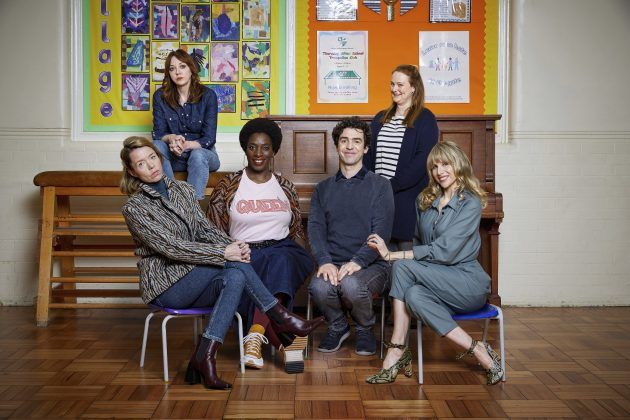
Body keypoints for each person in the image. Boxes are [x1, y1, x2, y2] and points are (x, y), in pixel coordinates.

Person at [119, 136, 323, 390]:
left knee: (237, 275)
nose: (151, 166)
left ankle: (204, 357)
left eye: (152, 157)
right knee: (234, 266)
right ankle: (281, 317)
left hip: (195, 276)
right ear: (131, 171)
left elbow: (205, 229)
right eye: (141, 163)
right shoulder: (134, 208)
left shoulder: (182, 191)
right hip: (167, 285)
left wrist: (234, 247)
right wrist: (223, 253)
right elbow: (171, 248)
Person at [365, 141, 503, 385]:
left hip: (467, 283)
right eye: (435, 166)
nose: (440, 171)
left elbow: (446, 251)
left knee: (400, 265)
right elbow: (419, 242)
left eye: (446, 164)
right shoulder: (425, 201)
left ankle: (397, 348)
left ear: (458, 165)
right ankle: (478, 348)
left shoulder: (469, 202)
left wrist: (391, 255)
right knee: (415, 295)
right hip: (435, 280)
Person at [206, 118, 314, 373]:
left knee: (282, 260)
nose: (258, 153)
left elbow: (296, 228)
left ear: (274, 151)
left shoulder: (284, 186)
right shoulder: (229, 185)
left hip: (282, 251)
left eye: (265, 148)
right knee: (260, 269)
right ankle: (286, 343)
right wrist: (228, 255)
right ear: (245, 149)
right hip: (244, 253)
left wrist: (305, 261)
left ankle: (254, 334)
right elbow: (211, 231)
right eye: (253, 147)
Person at [308, 117, 394, 356]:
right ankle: (338, 326)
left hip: (373, 265)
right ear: (337, 146)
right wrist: (325, 260)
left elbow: (382, 232)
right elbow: (315, 228)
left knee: (351, 284)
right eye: (344, 140)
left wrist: (357, 262)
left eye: (357, 141)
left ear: (366, 148)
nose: (350, 146)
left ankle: (365, 328)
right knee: (318, 288)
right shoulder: (323, 189)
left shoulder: (380, 186)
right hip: (334, 262)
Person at [364, 64, 439, 251]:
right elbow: (368, 153)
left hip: (407, 200)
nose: (394, 89)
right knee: (380, 256)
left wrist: (391, 186)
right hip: (379, 200)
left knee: (404, 260)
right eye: (392, 84)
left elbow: (423, 159)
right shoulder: (380, 118)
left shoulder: (425, 118)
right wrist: (373, 186)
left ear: (413, 87)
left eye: (400, 85)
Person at [152, 49, 220, 200]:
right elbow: (158, 133)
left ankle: (191, 208)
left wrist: (187, 144)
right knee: (156, 145)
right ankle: (171, 200)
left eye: (182, 66)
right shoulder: (160, 96)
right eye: (172, 68)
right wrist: (172, 138)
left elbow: (209, 139)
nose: (177, 72)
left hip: (203, 155)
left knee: (197, 154)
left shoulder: (208, 96)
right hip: (174, 157)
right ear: (168, 73)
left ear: (191, 69)